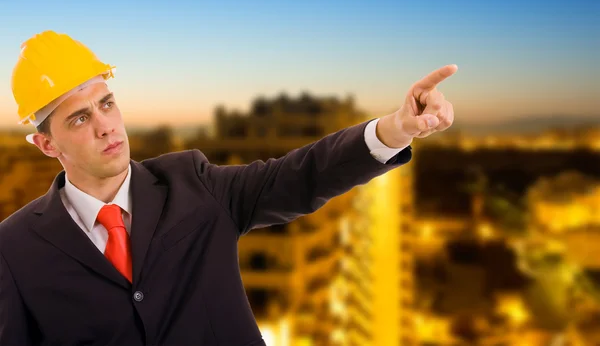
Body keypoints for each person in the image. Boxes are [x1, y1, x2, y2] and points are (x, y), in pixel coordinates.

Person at [0, 30, 456, 345]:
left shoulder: (193, 184)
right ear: (45, 143)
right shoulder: (14, 249)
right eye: (80, 118)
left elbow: (299, 176)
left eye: (107, 103)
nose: (106, 126)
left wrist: (395, 129)